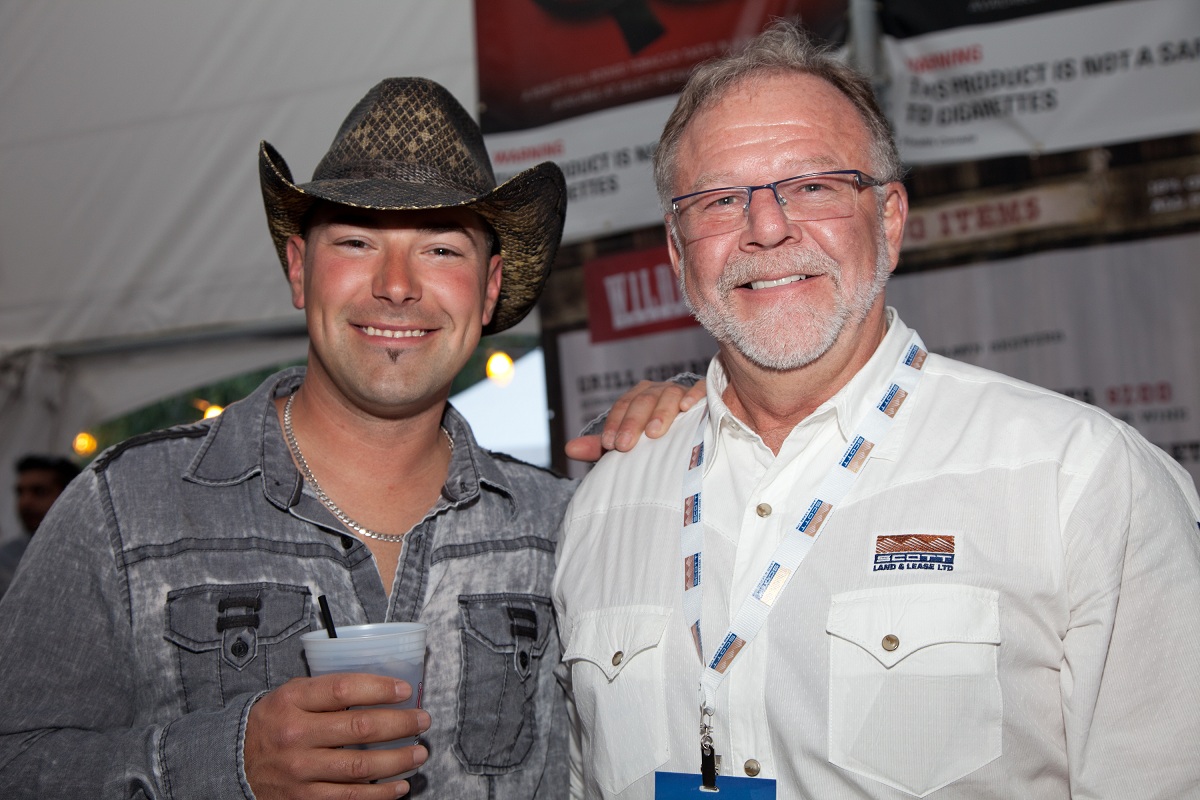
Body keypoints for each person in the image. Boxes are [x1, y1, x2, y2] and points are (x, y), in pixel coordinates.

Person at [0, 77, 698, 799]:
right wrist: (226, 764)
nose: (395, 285)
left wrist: (699, 431)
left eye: (441, 249)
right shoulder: (126, 510)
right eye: (357, 241)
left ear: (490, 288)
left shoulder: (560, 529)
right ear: (299, 270)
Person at [554, 22, 1200, 800]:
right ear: (676, 249)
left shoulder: (1078, 480)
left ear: (890, 218)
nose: (767, 229)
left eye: (813, 186)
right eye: (720, 199)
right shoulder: (604, 508)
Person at [0, 454, 81, 597]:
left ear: (69, 496)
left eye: (39, 492)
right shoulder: (7, 557)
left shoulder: (89, 555)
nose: (25, 502)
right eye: (20, 492)